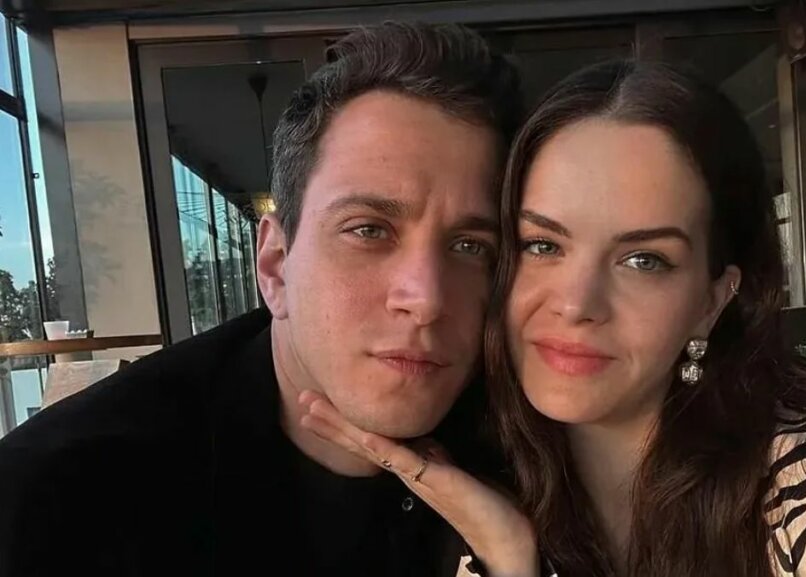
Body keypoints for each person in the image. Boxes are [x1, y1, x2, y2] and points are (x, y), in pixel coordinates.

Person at [301, 60, 806, 577]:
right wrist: (512, 557)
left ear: (713, 298)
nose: (576, 302)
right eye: (543, 245)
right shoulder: (496, 489)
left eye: (643, 260)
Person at [0, 22, 521, 576]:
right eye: (368, 230)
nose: (427, 298)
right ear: (275, 265)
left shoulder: (530, 448)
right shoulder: (61, 508)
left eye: (470, 246)